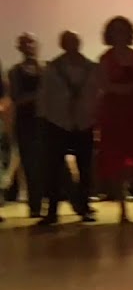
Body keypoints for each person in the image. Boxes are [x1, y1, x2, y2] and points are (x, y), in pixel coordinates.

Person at [36, 31, 98, 226]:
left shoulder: (91, 68)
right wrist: (44, 119)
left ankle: (84, 206)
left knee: (85, 169)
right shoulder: (52, 69)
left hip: (83, 122)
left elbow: (96, 94)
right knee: (54, 170)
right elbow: (44, 96)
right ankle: (52, 211)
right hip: (57, 122)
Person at [97, 16, 133, 223]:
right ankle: (122, 206)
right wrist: (129, 89)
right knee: (116, 160)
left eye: (123, 30)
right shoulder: (106, 58)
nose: (120, 34)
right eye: (116, 30)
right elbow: (104, 85)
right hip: (114, 113)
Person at [6, 33, 43, 218]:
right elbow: (16, 98)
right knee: (30, 166)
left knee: (56, 165)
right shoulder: (15, 72)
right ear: (20, 47)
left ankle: (77, 204)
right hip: (27, 123)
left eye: (31, 42)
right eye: (25, 43)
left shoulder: (45, 68)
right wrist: (39, 95)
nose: (30, 46)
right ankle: (35, 206)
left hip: (47, 122)